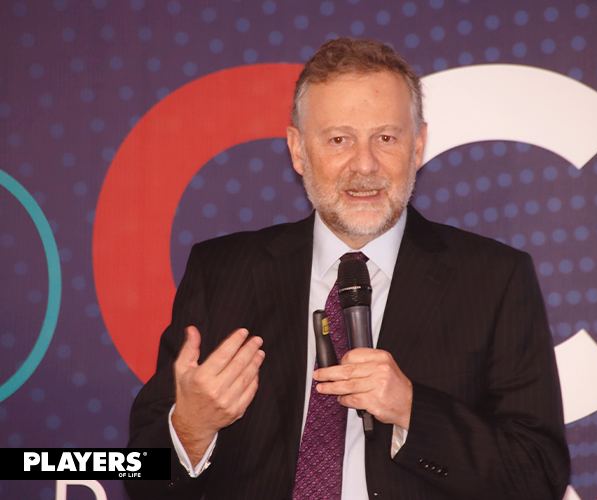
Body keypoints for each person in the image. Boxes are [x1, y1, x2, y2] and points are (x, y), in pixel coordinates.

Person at [126, 38, 570, 500]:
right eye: (339, 139)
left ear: (418, 146)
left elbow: (539, 475)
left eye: (386, 138)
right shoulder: (221, 273)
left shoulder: (495, 279)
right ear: (298, 151)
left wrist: (412, 410)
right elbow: (140, 476)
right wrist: (191, 428)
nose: (365, 164)